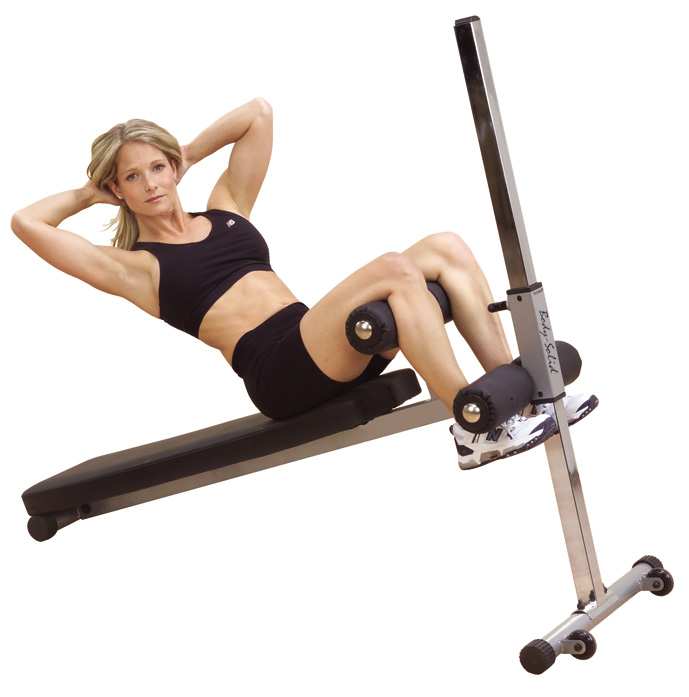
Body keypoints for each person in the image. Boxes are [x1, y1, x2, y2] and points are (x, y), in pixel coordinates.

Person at [11, 98, 595, 470]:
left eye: (157, 167)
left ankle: (524, 397)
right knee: (395, 267)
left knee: (446, 246)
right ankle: (475, 427)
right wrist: (90, 190)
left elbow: (258, 114)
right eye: (133, 178)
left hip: (323, 343)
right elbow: (26, 223)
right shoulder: (136, 267)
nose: (152, 184)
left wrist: (183, 150)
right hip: (278, 371)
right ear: (118, 190)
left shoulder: (225, 209)